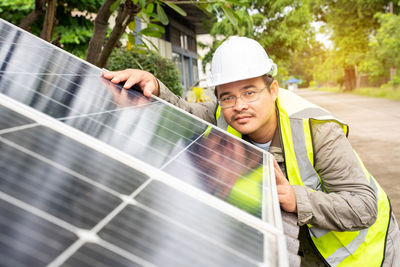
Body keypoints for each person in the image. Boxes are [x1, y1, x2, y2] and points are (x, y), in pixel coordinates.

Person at [103, 36, 399, 266]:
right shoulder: (223, 114)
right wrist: (153, 85)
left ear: (272, 90)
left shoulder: (317, 130)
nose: (240, 105)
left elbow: (363, 207)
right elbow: (185, 112)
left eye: (250, 91)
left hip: (366, 256)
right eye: (228, 96)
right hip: (301, 250)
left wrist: (296, 198)